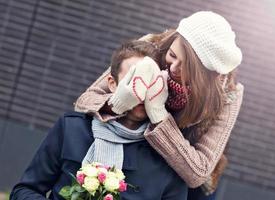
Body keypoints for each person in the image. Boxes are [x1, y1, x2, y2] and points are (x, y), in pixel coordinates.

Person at [74, 11, 244, 199]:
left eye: (186, 67)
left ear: (204, 75)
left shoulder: (227, 93)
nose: (173, 67)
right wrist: (120, 101)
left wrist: (158, 114)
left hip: (188, 185)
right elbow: (85, 102)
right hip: (138, 158)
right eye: (173, 55)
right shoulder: (151, 48)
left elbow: (199, 171)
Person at [10, 41, 188, 200]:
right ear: (112, 83)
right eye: (132, 81)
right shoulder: (72, 128)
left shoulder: (168, 156)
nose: (140, 92)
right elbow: (24, 191)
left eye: (150, 82)